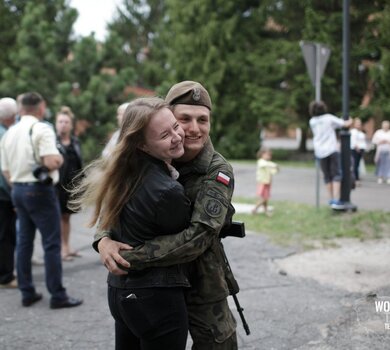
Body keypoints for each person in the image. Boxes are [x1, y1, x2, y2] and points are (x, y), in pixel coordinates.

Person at [95, 81, 238, 350]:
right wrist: (103, 239)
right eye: (184, 119)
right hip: (155, 287)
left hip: (201, 280)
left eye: (202, 120)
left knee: (218, 343)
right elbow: (113, 200)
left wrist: (129, 256)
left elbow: (198, 238)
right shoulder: (148, 157)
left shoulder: (216, 171)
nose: (193, 129)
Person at [71, 97, 191, 350]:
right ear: (143, 146)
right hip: (156, 298)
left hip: (121, 294)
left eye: (175, 127)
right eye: (164, 135)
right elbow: (186, 241)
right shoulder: (168, 191)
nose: (178, 136)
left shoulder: (123, 174)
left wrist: (102, 239)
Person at [0, 92, 82, 309]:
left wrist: (19, 187)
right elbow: (50, 160)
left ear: (20, 109)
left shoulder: (9, 133)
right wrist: (60, 158)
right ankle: (58, 295)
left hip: (17, 189)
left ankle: (27, 292)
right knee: (52, 244)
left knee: (24, 243)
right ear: (41, 107)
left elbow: (5, 170)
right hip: (40, 192)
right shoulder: (41, 128)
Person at [309, 100, 352, 208]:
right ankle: (336, 199)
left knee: (327, 176)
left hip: (319, 151)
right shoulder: (329, 118)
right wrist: (350, 119)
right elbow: (345, 124)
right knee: (336, 174)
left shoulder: (312, 121)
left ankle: (331, 198)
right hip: (331, 149)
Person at [55, 106, 83, 261]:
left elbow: (79, 164)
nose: (63, 124)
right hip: (55, 187)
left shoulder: (75, 142)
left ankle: (66, 246)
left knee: (66, 217)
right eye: (60, 122)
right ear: (56, 124)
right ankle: (61, 248)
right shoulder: (52, 141)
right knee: (59, 217)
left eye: (66, 122)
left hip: (71, 186)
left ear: (71, 125)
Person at [0, 97, 17, 288]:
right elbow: (4, 170)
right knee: (6, 235)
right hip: (4, 193)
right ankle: (5, 276)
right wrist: (13, 195)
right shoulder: (5, 135)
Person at [252, 147, 279, 216]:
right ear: (262, 154)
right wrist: (274, 165)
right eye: (267, 155)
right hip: (262, 183)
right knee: (265, 198)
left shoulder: (268, 163)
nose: (269, 156)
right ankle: (255, 209)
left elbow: (273, 172)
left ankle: (266, 211)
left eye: (270, 155)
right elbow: (265, 164)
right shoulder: (261, 161)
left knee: (266, 198)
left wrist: (277, 169)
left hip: (268, 183)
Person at [350, 117, 367, 186]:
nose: (359, 125)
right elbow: (353, 141)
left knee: (358, 165)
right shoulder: (353, 131)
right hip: (356, 150)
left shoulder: (361, 132)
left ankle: (356, 178)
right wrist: (357, 148)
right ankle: (355, 179)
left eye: (359, 123)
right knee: (355, 165)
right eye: (357, 123)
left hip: (361, 149)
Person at [372, 120, 390, 184]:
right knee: (380, 164)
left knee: (388, 165)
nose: (385, 126)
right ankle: (380, 177)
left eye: (387, 125)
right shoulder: (378, 132)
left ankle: (388, 177)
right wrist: (380, 142)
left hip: (388, 151)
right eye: (384, 125)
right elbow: (374, 141)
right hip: (380, 151)